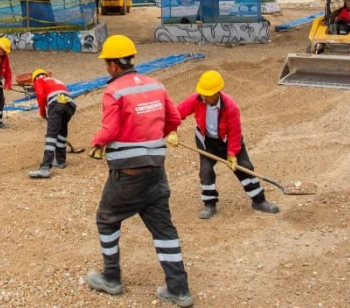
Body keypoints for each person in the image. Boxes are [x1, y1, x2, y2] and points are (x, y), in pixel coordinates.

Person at [85, 35, 194, 307]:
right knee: (164, 230)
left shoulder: (114, 91)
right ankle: (179, 290)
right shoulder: (156, 84)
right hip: (156, 172)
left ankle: (111, 277)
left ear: (112, 65)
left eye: (106, 63)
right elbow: (174, 119)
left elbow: (109, 130)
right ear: (131, 59)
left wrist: (96, 143)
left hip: (128, 175)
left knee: (107, 219)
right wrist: (156, 138)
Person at [174, 70, 280, 220]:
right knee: (206, 171)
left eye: (207, 94)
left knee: (245, 167)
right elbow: (176, 114)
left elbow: (235, 132)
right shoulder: (196, 99)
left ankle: (259, 201)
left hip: (228, 140)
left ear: (217, 92)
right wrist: (172, 131)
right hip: (207, 142)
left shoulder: (231, 106)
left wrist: (232, 154)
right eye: (202, 93)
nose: (204, 96)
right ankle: (209, 205)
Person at [27, 69, 77, 179]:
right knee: (61, 132)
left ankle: (45, 167)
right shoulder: (55, 80)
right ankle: (60, 161)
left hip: (56, 104)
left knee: (51, 135)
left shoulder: (39, 80)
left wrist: (42, 112)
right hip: (70, 104)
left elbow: (40, 94)